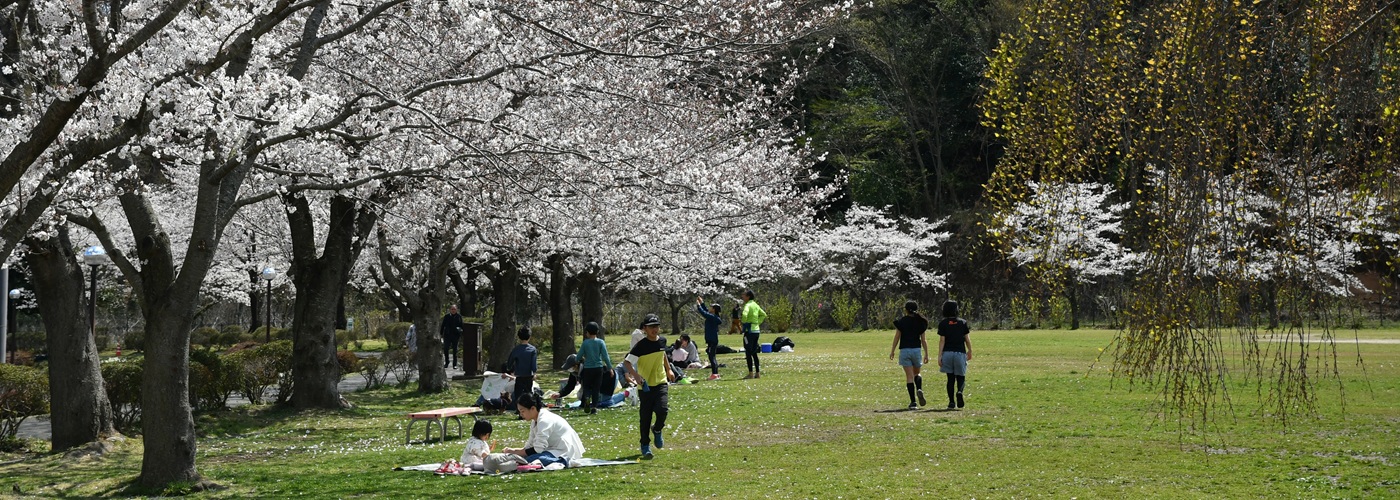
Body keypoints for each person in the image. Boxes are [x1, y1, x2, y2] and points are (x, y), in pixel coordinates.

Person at [623, 313, 676, 459]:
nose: (655, 329)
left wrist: (669, 369)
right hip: (645, 386)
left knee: (663, 410)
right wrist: (636, 375)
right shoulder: (640, 346)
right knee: (645, 417)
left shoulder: (662, 341)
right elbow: (627, 363)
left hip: (661, 382)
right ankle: (645, 445)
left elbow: (663, 353)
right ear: (645, 328)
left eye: (657, 326)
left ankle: (657, 430)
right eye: (651, 327)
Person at [503, 393, 585, 468]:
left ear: (533, 408)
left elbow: (538, 449)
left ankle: (565, 461)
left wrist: (515, 452)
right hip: (552, 449)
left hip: (564, 450)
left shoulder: (545, 420)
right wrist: (513, 451)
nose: (521, 414)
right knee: (527, 458)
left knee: (531, 459)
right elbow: (530, 445)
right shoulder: (535, 421)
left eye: (522, 411)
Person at [889, 300, 930, 409]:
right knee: (917, 374)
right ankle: (919, 388)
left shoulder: (902, 321)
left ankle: (913, 403)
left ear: (906, 310)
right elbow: (923, 340)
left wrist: (892, 350)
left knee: (909, 377)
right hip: (916, 350)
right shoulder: (920, 322)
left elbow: (897, 337)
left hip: (905, 350)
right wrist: (926, 353)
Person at [937, 300, 973, 410]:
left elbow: (942, 340)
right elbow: (966, 339)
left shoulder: (943, 323)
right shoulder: (962, 322)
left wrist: (940, 355)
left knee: (950, 379)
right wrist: (970, 350)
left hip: (947, 353)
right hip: (959, 353)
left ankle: (951, 402)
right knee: (961, 377)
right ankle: (959, 391)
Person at [576, 321, 612, 414]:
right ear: (597, 331)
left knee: (587, 387)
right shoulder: (601, 342)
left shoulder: (585, 343)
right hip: (598, 368)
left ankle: (587, 399)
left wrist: (579, 359)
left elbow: (579, 356)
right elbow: (605, 356)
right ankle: (594, 407)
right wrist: (610, 368)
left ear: (587, 332)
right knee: (596, 388)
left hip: (588, 368)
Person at [504, 327, 538, 407]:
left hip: (519, 375)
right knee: (528, 393)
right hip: (529, 375)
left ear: (519, 337)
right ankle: (528, 408)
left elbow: (509, 363)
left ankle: (519, 410)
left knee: (518, 394)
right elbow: (533, 364)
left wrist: (509, 369)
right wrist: (534, 372)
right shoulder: (532, 349)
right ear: (529, 337)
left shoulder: (516, 349)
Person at [739, 290, 767, 379]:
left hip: (749, 331)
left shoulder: (748, 305)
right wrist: (757, 322)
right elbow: (763, 315)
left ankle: (750, 373)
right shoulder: (755, 305)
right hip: (756, 331)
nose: (742, 297)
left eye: (744, 295)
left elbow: (744, 314)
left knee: (748, 352)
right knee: (754, 352)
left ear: (748, 296)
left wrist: (744, 322)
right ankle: (758, 373)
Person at [694, 298, 724, 380]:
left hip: (712, 340)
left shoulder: (712, 317)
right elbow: (706, 311)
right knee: (712, 356)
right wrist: (702, 303)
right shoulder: (713, 316)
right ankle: (715, 374)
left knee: (712, 357)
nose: (709, 308)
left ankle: (714, 374)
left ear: (714, 310)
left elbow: (704, 313)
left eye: (711, 307)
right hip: (712, 339)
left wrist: (698, 306)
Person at [442, 305, 464, 369]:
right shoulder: (447, 316)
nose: (453, 310)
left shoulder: (459, 316)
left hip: (455, 335)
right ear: (450, 310)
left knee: (455, 350)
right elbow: (443, 325)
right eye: (452, 309)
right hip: (447, 335)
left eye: (454, 309)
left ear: (456, 310)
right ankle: (447, 362)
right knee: (446, 349)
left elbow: (462, 325)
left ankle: (455, 364)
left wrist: (461, 332)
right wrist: (441, 333)